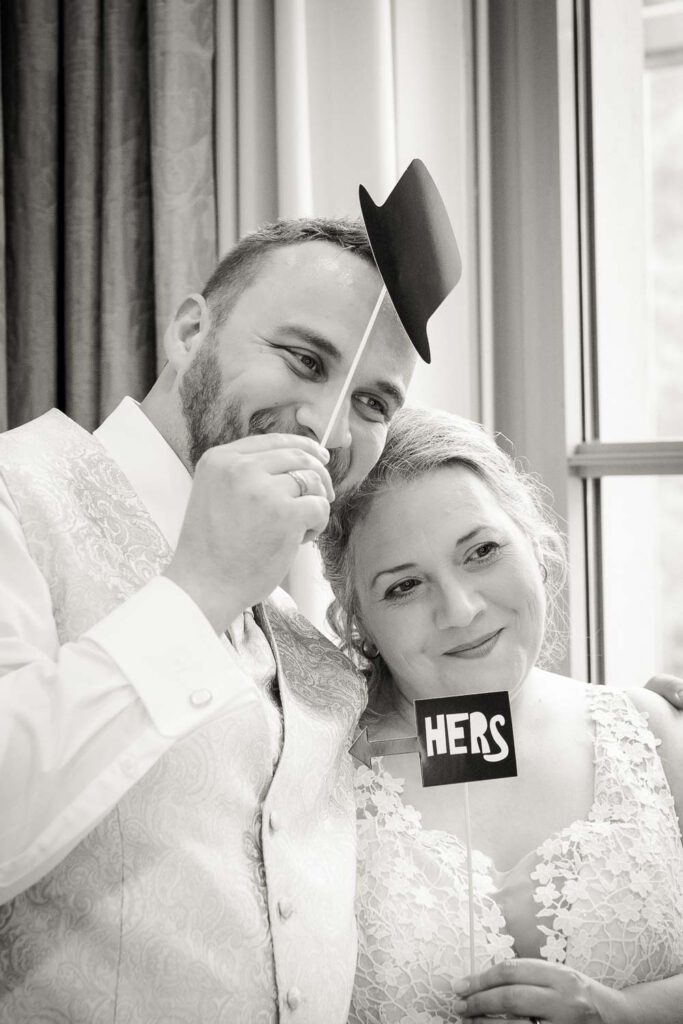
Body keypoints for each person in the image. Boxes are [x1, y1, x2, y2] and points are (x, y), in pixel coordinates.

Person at [0, 218, 417, 1022]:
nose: (329, 429)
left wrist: (629, 726)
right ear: (191, 330)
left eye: (371, 401)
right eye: (303, 359)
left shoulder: (296, 625)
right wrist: (197, 596)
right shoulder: (15, 493)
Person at [319, 406, 683, 1023]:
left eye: (482, 550)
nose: (459, 609)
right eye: (404, 586)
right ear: (361, 622)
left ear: (535, 545)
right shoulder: (311, 765)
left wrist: (620, 1011)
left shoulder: (653, 730)